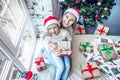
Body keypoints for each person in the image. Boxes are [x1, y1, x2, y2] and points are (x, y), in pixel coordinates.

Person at [42, 16, 72, 80]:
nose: (53, 30)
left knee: (68, 66)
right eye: (50, 28)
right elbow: (47, 46)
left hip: (64, 49)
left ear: (58, 26)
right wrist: (54, 49)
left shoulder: (64, 32)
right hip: (55, 52)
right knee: (61, 67)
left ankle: (64, 78)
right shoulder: (47, 36)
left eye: (55, 27)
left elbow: (69, 40)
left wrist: (69, 49)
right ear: (47, 29)